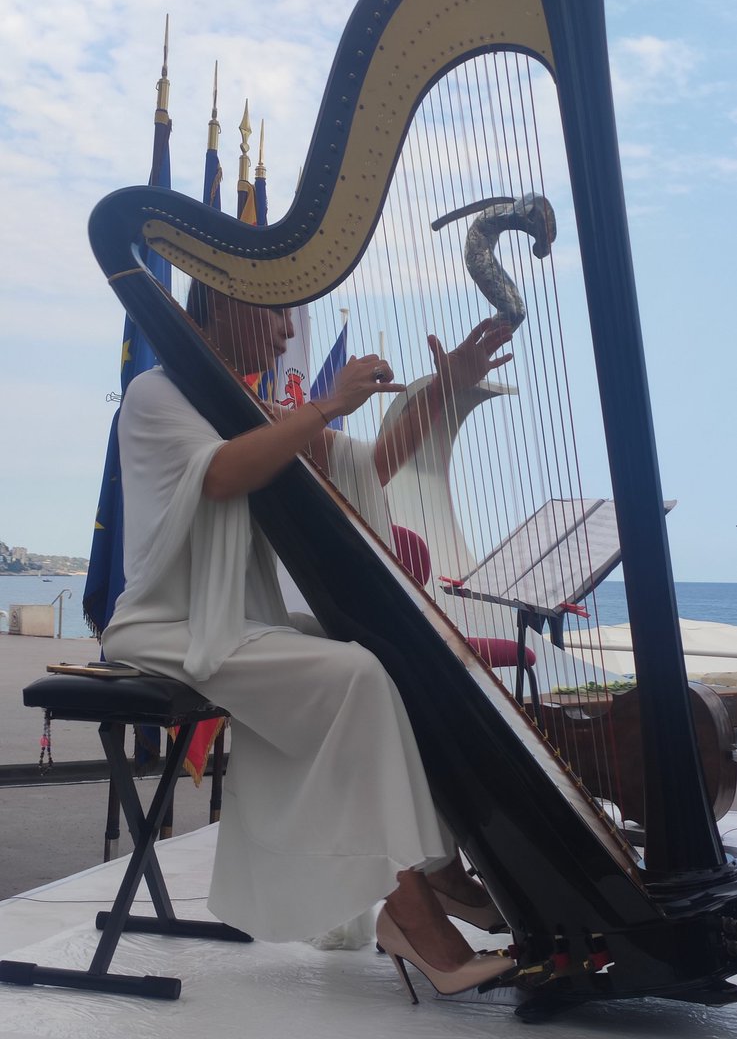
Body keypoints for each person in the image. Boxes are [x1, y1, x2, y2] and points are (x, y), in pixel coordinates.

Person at [102, 285, 516, 1000]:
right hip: (165, 625)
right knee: (353, 673)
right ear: (221, 302)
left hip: (237, 619)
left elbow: (370, 465)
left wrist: (443, 393)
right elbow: (222, 476)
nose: (284, 332)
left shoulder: (250, 407)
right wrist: (325, 406)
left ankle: (437, 869)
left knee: (395, 657)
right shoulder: (157, 392)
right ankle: (412, 911)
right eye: (272, 311)